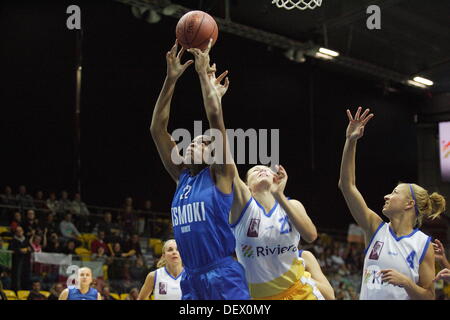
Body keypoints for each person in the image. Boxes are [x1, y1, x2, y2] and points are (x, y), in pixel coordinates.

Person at [150, 39, 250, 300]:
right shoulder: (181, 177)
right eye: (193, 140)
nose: (195, 142)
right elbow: (157, 129)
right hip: (191, 278)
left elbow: (216, 119)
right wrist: (170, 79)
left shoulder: (221, 175)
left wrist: (203, 77)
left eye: (204, 142)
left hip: (223, 275)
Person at [338, 107, 446, 300]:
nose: (387, 196)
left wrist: (406, 283)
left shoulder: (423, 244)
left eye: (395, 192)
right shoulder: (374, 227)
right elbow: (347, 185)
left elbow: (429, 296)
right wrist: (351, 141)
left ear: (409, 204)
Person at [230, 164, 320, 299]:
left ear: (275, 178)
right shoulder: (240, 209)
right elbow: (227, 168)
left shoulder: (292, 205)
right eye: (255, 170)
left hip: (300, 291)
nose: (262, 170)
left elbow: (311, 236)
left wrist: (279, 195)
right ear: (246, 185)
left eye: (266, 169)